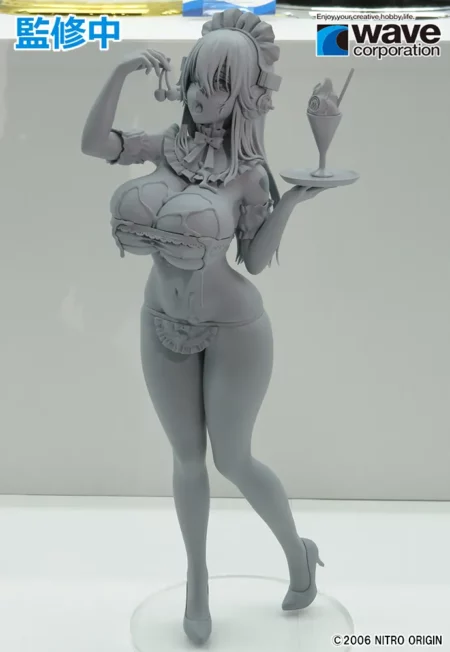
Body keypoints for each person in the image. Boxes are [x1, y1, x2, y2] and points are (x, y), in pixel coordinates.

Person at [81, 9, 326, 645]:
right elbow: (94, 144)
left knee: (234, 459)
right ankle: (197, 579)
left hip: (235, 329)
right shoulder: (166, 144)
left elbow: (254, 260)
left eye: (220, 84)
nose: (201, 95)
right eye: (196, 78)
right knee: (187, 459)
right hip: (160, 322)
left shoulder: (247, 174)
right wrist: (121, 70)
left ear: (243, 94)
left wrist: (291, 203)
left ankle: (299, 555)